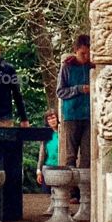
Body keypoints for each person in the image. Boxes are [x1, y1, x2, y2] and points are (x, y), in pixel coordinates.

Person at [57, 33, 92, 169]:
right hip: (71, 116)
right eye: (83, 53)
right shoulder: (67, 66)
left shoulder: (92, 66)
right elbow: (60, 91)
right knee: (71, 155)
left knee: (87, 155)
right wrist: (78, 89)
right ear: (76, 50)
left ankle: (84, 188)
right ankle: (72, 189)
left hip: (88, 116)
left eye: (89, 53)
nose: (86, 57)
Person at [36, 109, 59, 184]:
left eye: (53, 118)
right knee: (46, 194)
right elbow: (42, 154)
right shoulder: (46, 134)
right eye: (49, 119)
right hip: (47, 168)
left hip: (61, 169)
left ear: (57, 118)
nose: (51, 121)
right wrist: (39, 170)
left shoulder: (63, 133)